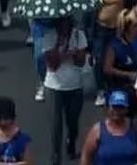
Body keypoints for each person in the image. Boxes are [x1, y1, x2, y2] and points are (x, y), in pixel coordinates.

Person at [42, 15, 89, 165]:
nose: (65, 25)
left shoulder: (78, 35)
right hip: (54, 87)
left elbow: (81, 62)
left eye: (67, 22)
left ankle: (71, 142)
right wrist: (60, 50)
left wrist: (74, 53)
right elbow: (51, 65)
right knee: (56, 127)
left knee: (73, 122)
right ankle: (55, 159)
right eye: (61, 22)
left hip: (75, 86)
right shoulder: (49, 36)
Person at [80, 90, 137, 165]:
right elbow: (86, 155)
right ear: (108, 108)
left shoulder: (135, 127)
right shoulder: (98, 130)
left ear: (126, 109)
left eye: (121, 107)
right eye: (114, 107)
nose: (117, 111)